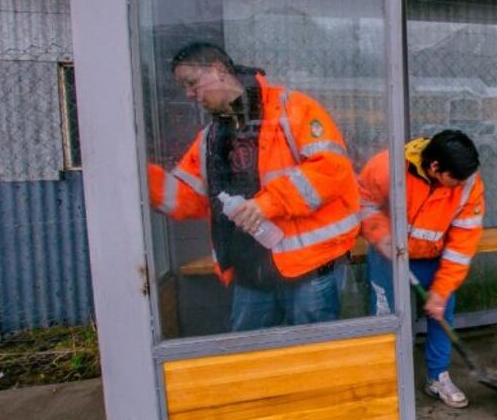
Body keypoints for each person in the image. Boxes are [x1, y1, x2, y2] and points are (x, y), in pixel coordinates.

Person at [147, 42, 359, 331]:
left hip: (309, 268)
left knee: (315, 359)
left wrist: (265, 204)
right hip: (251, 274)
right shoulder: (210, 138)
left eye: (192, 83)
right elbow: (188, 198)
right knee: (250, 361)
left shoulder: (292, 108)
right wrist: (139, 175)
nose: (189, 94)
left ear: (218, 70)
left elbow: (332, 170)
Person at [358, 130, 484, 408]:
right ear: (435, 167)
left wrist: (441, 290)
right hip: (387, 256)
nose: (462, 184)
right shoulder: (387, 167)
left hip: (432, 258)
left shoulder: (469, 184)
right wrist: (380, 234)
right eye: (456, 180)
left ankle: (437, 376)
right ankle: (386, 379)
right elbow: (362, 200)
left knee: (442, 314)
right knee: (386, 318)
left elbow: (463, 243)